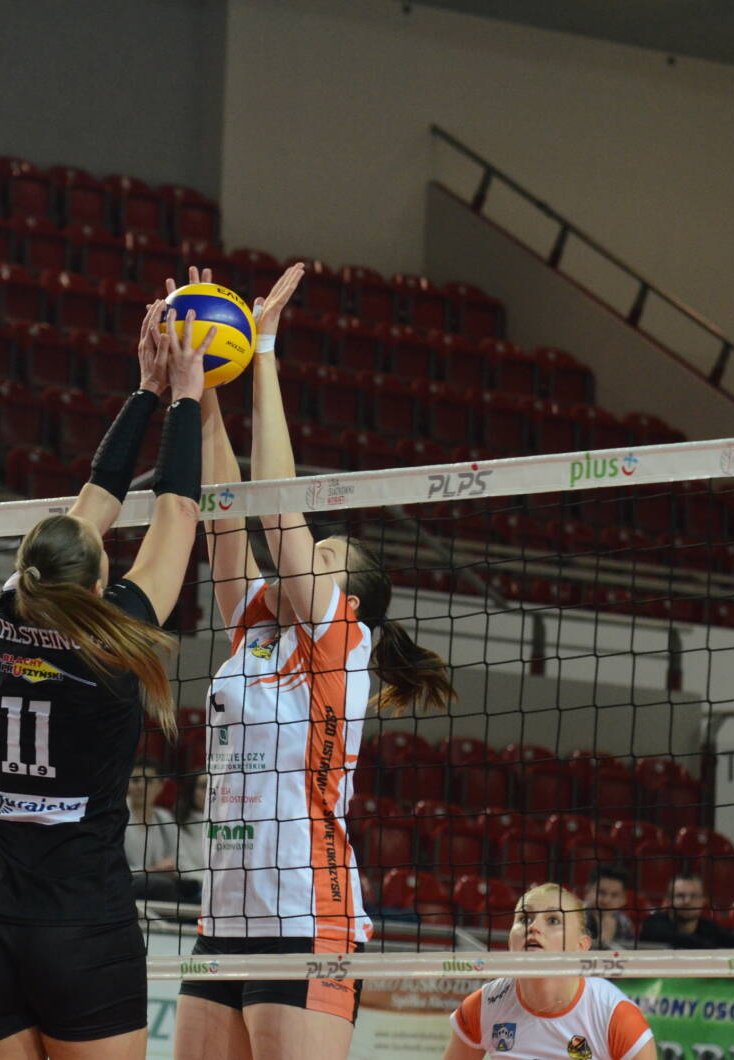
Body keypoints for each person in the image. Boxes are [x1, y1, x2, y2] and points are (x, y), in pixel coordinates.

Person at [174, 264, 457, 1060]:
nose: (303, 556)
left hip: (307, 918)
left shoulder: (340, 641)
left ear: (349, 599)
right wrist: (204, 383)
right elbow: (225, 517)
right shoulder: (258, 628)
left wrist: (264, 351)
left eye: (324, 556)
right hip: (223, 918)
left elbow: (275, 506)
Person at [0, 299, 210, 1059]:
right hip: (81, 931)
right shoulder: (116, 641)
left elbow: (90, 507)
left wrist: (148, 390)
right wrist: (184, 394)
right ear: (97, 584)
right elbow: (178, 512)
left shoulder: (6, 612)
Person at [445, 883, 656, 1060]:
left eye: (553, 920)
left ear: (581, 946)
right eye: (524, 918)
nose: (534, 927)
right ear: (510, 940)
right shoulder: (485, 1005)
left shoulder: (615, 1015)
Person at [640, 874, 734, 950]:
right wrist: (714, 949)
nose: (687, 901)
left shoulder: (709, 928)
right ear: (668, 900)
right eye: (680, 896)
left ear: (703, 901)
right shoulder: (653, 924)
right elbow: (676, 939)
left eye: (694, 896)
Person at [124, 759, 185, 901]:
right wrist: (153, 870)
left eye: (149, 781)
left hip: (162, 888)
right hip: (125, 885)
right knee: (161, 885)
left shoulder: (164, 817)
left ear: (161, 786)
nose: (141, 786)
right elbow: (111, 866)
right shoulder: (117, 816)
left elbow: (179, 859)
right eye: (135, 780)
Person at [174, 771, 210, 893]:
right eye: (204, 786)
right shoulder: (175, 823)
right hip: (193, 888)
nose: (210, 791)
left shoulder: (231, 824)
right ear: (191, 791)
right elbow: (182, 866)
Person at [585, 865, 637, 949]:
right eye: (601, 892)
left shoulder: (624, 922)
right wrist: (604, 937)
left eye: (614, 895)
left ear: (623, 899)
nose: (606, 900)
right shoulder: (573, 915)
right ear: (588, 890)